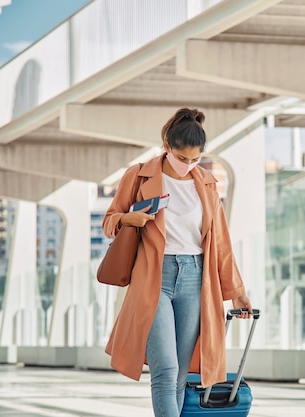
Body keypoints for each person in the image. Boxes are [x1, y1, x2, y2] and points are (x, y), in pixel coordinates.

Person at [102, 107, 253, 417]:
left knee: (181, 375)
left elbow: (220, 243)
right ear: (167, 147)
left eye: (194, 159)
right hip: (154, 278)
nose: (188, 165)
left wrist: (238, 292)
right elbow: (109, 221)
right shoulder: (139, 174)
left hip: (196, 279)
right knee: (165, 369)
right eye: (182, 158)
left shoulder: (207, 183)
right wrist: (128, 218)